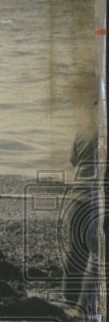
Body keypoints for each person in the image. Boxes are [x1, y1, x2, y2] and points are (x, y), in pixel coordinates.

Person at [60, 124, 101, 312]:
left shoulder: (84, 129)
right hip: (98, 202)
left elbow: (73, 160)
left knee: (76, 250)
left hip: (77, 197)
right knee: (99, 254)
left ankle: (68, 300)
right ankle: (83, 308)